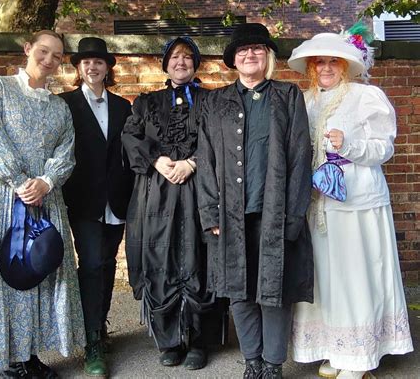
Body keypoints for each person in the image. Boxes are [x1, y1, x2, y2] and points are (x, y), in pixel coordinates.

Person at [287, 25, 414, 378]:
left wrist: (348, 145)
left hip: (358, 200)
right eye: (319, 62)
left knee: (357, 272)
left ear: (347, 66)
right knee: (327, 277)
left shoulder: (366, 97)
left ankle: (361, 355)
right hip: (318, 202)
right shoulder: (307, 101)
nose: (326, 68)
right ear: (311, 68)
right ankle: (335, 346)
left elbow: (384, 148)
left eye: (333, 62)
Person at [0, 30, 85, 377]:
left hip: (44, 197)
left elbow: (66, 152)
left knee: (40, 269)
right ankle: (6, 358)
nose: (49, 60)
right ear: (28, 48)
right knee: (5, 270)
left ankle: (29, 353)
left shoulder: (59, 107)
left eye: (57, 56)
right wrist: (18, 182)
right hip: (2, 197)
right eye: (43, 51)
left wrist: (45, 182)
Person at [196, 22, 314, 379]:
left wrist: (294, 215)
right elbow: (206, 160)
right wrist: (209, 211)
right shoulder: (215, 102)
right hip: (230, 215)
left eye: (258, 50)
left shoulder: (287, 96)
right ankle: (252, 361)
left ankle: (274, 363)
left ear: (268, 57)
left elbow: (299, 157)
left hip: (274, 212)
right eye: (243, 50)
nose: (250, 55)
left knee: (274, 291)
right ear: (234, 59)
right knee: (240, 291)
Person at [122, 36, 226, 370]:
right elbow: (130, 137)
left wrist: (192, 162)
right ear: (165, 63)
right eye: (174, 57)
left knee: (200, 256)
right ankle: (169, 340)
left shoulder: (213, 101)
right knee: (161, 257)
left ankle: (199, 342)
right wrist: (156, 161)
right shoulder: (146, 103)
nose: (180, 62)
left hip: (200, 190)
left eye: (187, 57)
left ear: (196, 63)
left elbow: (223, 141)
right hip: (158, 193)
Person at [59, 37, 133, 377]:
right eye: (86, 61)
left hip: (117, 201)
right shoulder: (64, 104)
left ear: (108, 68)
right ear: (78, 68)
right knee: (89, 264)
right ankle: (91, 342)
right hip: (83, 201)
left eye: (99, 61)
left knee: (105, 264)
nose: (92, 66)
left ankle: (99, 327)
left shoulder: (124, 107)